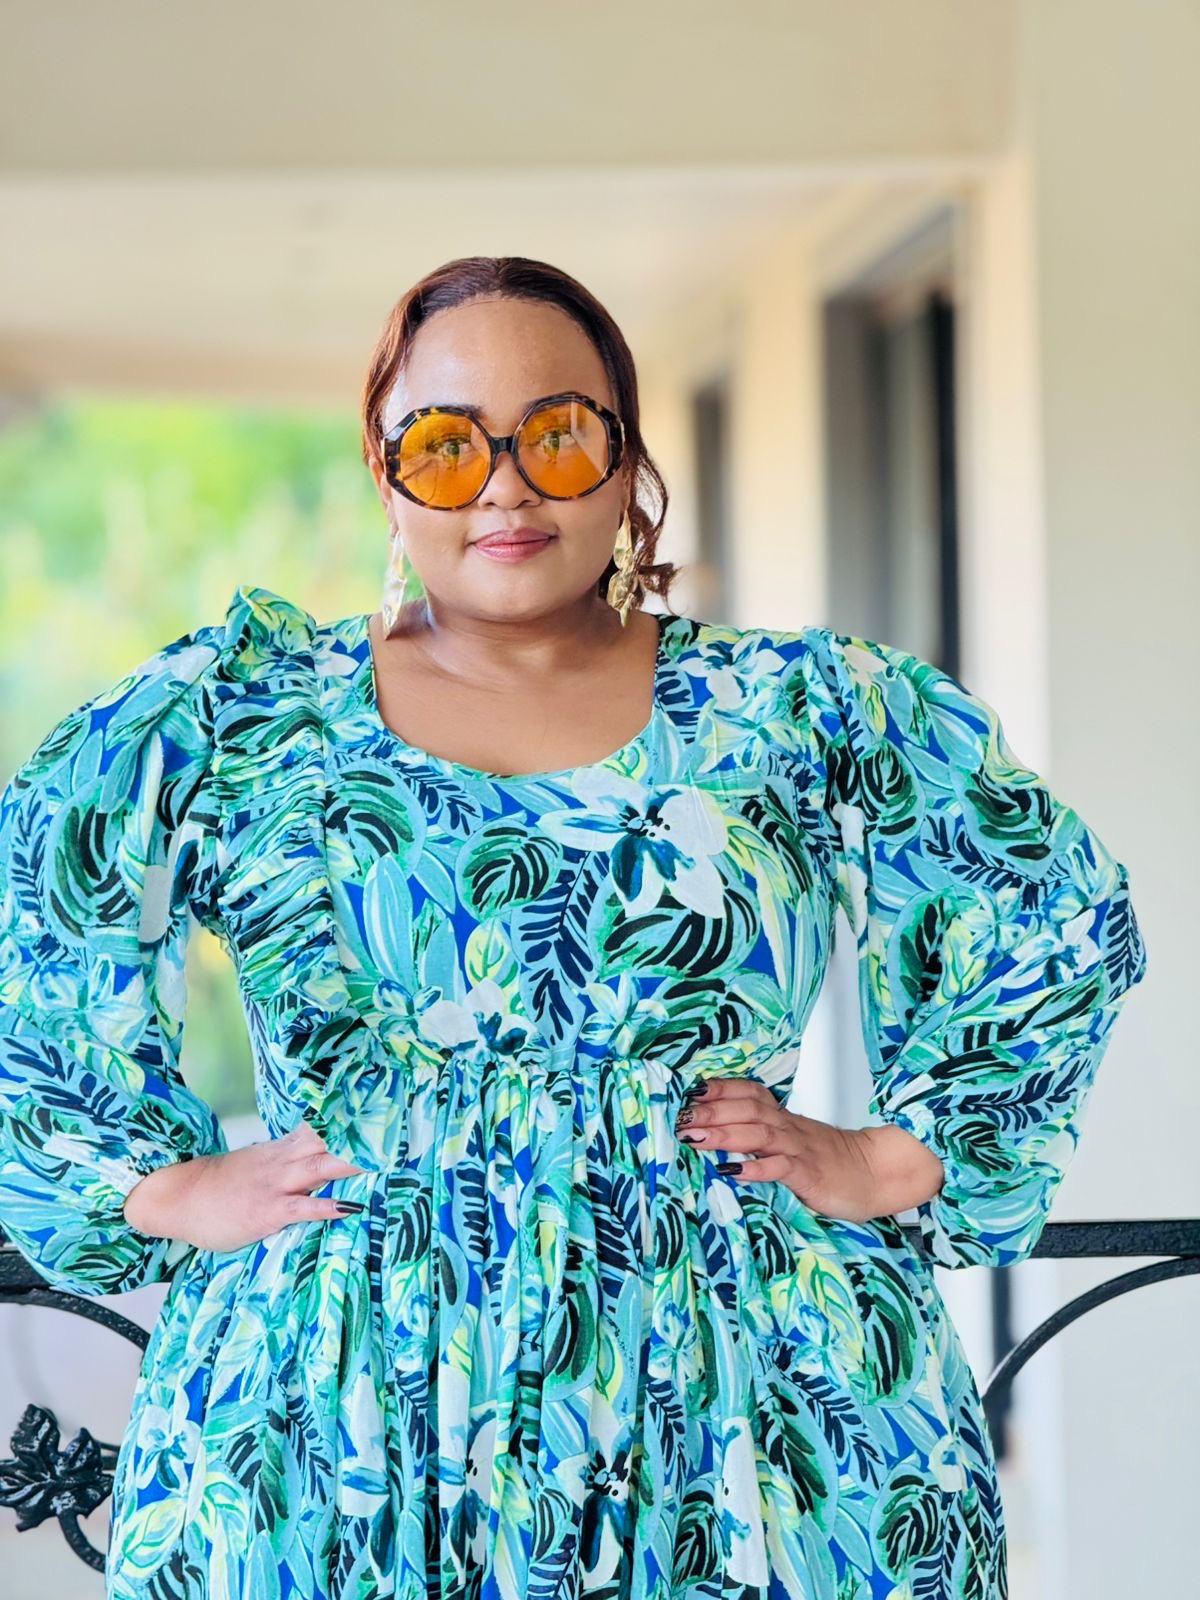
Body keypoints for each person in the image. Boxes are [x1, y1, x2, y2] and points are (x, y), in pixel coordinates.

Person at [0, 255, 1147, 1600]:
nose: (505, 486)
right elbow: (40, 900)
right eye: (445, 445)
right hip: (339, 1402)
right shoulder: (250, 720)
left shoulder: (795, 710)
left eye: (555, 434)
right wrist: (155, 1184)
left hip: (740, 1380)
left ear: (624, 458)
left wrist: (895, 1155)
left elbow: (1048, 910)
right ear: (384, 473)